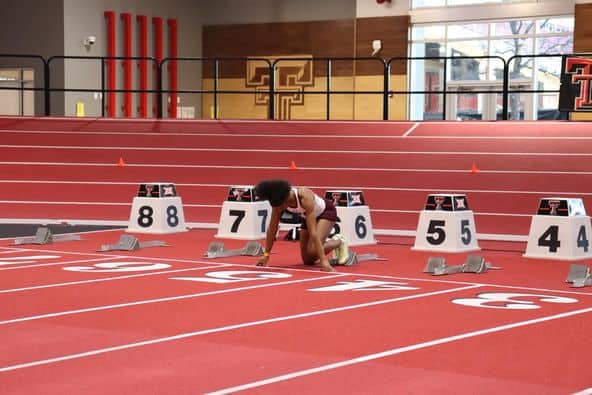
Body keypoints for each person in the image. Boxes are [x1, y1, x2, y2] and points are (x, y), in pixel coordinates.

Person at [254, 179, 351, 272]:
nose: (278, 210)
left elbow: (313, 232)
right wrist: (266, 255)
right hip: (307, 216)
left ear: (286, 200)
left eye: (280, 208)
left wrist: (323, 261)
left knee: (313, 250)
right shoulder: (277, 203)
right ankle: (328, 245)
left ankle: (340, 241)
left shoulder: (304, 196)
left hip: (325, 212)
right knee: (308, 260)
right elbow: (272, 229)